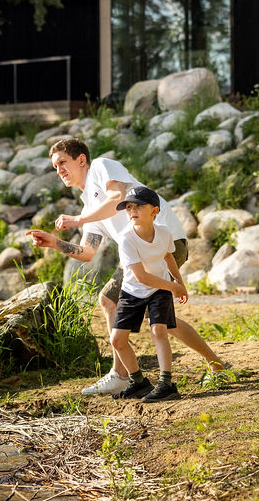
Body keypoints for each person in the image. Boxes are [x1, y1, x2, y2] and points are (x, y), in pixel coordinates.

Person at [26, 138, 225, 396]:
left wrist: (77, 219)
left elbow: (117, 197)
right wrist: (55, 243)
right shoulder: (90, 207)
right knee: (138, 310)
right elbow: (87, 252)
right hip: (139, 254)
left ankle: (126, 374)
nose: (59, 170)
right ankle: (210, 364)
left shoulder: (101, 167)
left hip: (166, 243)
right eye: (55, 167)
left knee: (131, 308)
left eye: (63, 162)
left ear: (81, 159)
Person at [105, 184, 187, 401]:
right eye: (128, 207)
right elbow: (141, 277)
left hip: (159, 288)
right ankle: (139, 382)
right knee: (117, 340)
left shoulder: (164, 233)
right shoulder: (126, 239)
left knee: (159, 331)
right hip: (132, 291)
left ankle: (166, 384)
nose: (132, 211)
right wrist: (174, 286)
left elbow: (168, 257)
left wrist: (180, 283)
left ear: (154, 211)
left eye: (138, 206)